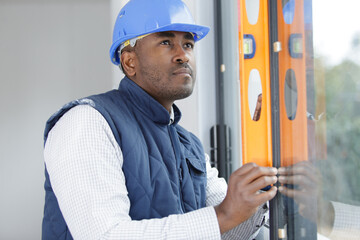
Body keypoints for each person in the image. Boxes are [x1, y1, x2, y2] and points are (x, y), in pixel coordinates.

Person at [41, 0, 278, 239]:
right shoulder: (87, 122)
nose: (183, 55)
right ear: (129, 61)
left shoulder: (189, 144)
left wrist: (267, 196)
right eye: (166, 42)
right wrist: (224, 214)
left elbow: (224, 230)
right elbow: (106, 235)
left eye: (188, 44)